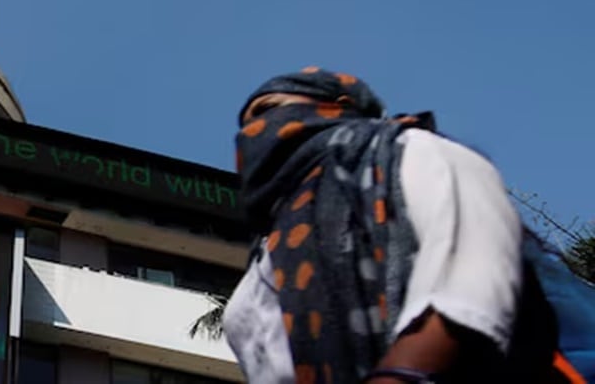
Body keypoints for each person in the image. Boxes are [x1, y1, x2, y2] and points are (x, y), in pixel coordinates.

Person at [222, 67, 562, 384]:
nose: (253, 132)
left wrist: (400, 374)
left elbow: (471, 282)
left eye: (268, 109)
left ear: (337, 106)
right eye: (244, 126)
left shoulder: (413, 153)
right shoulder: (267, 253)